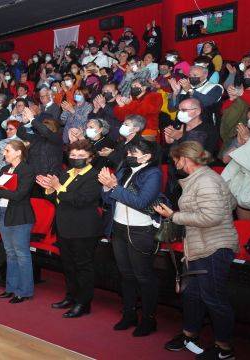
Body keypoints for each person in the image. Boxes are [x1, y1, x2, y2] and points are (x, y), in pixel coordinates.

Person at [155, 141, 238, 360]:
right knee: (192, 294)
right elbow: (230, 203)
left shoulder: (207, 180)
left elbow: (213, 216)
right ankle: (189, 335)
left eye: (175, 159)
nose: (174, 163)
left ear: (185, 158)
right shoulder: (199, 179)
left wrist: (173, 216)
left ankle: (224, 349)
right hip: (199, 245)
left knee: (214, 298)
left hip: (214, 247)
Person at [99, 139, 162, 337]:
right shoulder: (125, 169)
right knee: (125, 274)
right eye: (128, 153)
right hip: (118, 227)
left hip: (140, 230)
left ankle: (149, 318)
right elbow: (107, 200)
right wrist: (107, 188)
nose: (128, 156)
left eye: (133, 153)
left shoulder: (153, 173)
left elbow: (142, 201)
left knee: (143, 276)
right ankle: (129, 313)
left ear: (147, 156)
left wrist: (114, 187)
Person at [37, 140, 102, 317]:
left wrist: (57, 187)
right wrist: (50, 189)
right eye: (73, 155)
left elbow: (79, 200)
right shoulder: (67, 173)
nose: (76, 158)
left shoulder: (94, 177)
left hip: (83, 228)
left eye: (81, 156)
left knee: (83, 267)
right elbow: (59, 199)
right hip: (64, 226)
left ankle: (83, 303)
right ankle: (71, 296)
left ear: (90, 158)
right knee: (68, 265)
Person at [0, 140, 35, 304]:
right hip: (3, 212)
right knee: (9, 253)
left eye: (8, 151)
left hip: (19, 216)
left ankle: (24, 291)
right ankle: (11, 288)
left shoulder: (27, 170)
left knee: (21, 254)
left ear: (18, 152)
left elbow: (19, 195)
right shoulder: (5, 169)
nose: (4, 153)